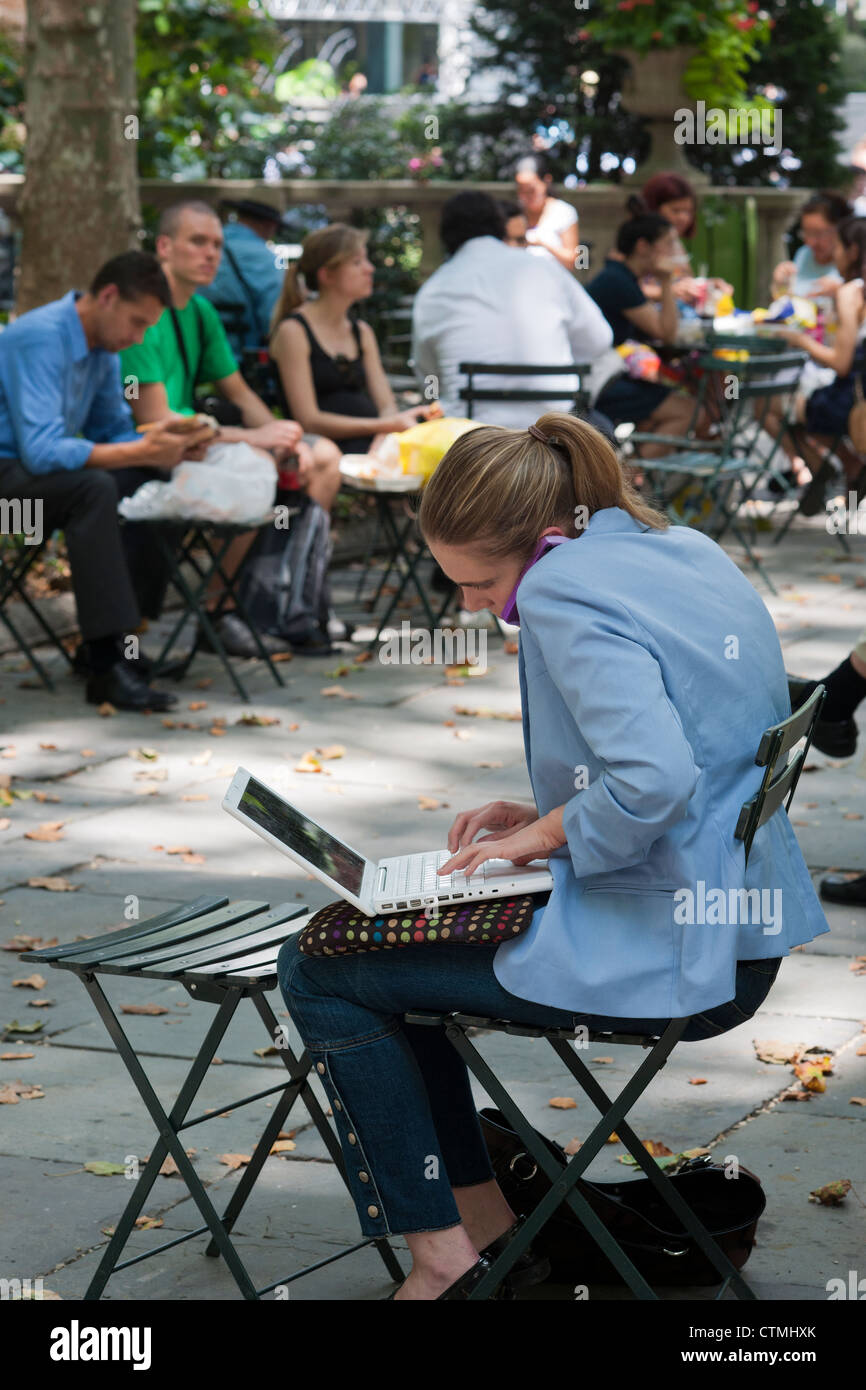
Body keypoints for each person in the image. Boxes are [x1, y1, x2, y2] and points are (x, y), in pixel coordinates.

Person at [275, 410, 828, 1300]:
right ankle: (494, 1230)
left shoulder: (564, 590)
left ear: (539, 545)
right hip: (733, 930)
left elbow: (655, 781)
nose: (475, 606)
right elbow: (709, 751)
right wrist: (548, 811)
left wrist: (546, 833)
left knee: (318, 967)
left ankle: (447, 1260)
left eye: (484, 582)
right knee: (383, 966)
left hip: (675, 947)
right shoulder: (676, 544)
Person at [120, 201, 342, 650]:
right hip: (145, 452)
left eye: (217, 244)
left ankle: (279, 602)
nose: (211, 254)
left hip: (196, 441)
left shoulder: (199, 312)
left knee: (320, 455)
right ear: (164, 246)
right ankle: (219, 612)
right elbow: (155, 421)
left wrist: (287, 435)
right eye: (197, 242)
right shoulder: (143, 311)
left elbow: (239, 393)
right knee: (257, 462)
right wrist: (258, 437)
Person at [0, 251, 212, 710]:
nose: (138, 337)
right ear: (109, 297)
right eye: (136, 323)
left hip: (35, 476)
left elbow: (111, 433)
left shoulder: (103, 348)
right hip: (9, 479)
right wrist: (136, 449)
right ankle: (105, 663)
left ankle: (123, 644)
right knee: (94, 489)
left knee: (154, 478)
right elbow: (39, 452)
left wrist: (165, 442)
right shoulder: (38, 337)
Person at [411, 192, 613, 428]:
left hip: (469, 437)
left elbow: (429, 379)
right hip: (555, 429)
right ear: (500, 226)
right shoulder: (546, 269)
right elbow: (599, 340)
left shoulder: (433, 289)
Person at [270, 223, 437, 454]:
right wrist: (385, 425)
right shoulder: (294, 331)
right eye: (357, 262)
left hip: (371, 442)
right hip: (324, 450)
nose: (369, 269)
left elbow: (386, 404)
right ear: (327, 275)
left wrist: (382, 437)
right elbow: (308, 419)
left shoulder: (362, 332)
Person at [762, 215, 866, 512]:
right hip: (852, 395)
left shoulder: (852, 292)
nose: (834, 254)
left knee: (767, 409)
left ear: (853, 251)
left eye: (839, 247)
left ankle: (827, 468)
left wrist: (800, 340)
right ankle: (846, 468)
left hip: (848, 401)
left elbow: (841, 363)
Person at [585, 210, 708, 454]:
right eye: (669, 243)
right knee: (692, 411)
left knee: (658, 415)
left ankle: (635, 477)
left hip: (599, 375)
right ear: (643, 246)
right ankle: (629, 483)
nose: (675, 250)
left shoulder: (622, 277)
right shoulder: (618, 281)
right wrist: (665, 281)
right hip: (594, 383)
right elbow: (667, 334)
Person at [627, 176, 733, 307]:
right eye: (676, 210)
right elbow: (625, 288)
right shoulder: (639, 245)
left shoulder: (676, 243)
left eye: (688, 211)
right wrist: (667, 291)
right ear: (653, 209)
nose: (684, 218)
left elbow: (684, 281)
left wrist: (709, 285)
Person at [199, 198, 286, 354]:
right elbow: (272, 318)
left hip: (196, 351)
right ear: (270, 225)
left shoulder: (201, 250)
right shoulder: (268, 258)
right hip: (243, 356)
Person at [771, 191, 852, 301]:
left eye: (818, 233)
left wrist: (843, 292)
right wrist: (781, 284)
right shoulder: (804, 253)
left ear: (840, 229)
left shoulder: (853, 263)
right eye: (806, 233)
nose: (810, 242)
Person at [513, 153, 579, 272]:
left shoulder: (564, 212)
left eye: (531, 190)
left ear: (546, 181)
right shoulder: (514, 212)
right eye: (521, 191)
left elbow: (576, 261)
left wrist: (542, 244)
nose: (526, 196)